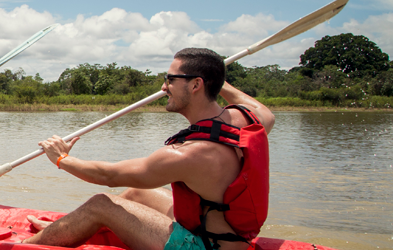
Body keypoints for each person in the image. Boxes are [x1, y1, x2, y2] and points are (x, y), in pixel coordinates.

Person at [22, 48, 276, 250]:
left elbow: (108, 176)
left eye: (170, 80)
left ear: (196, 85)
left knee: (101, 204)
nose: (164, 87)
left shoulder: (189, 154)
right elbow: (265, 112)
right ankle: (69, 228)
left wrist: (62, 158)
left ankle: (22, 246)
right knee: (137, 194)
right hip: (230, 237)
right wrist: (215, 77)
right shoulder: (248, 119)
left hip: (204, 246)